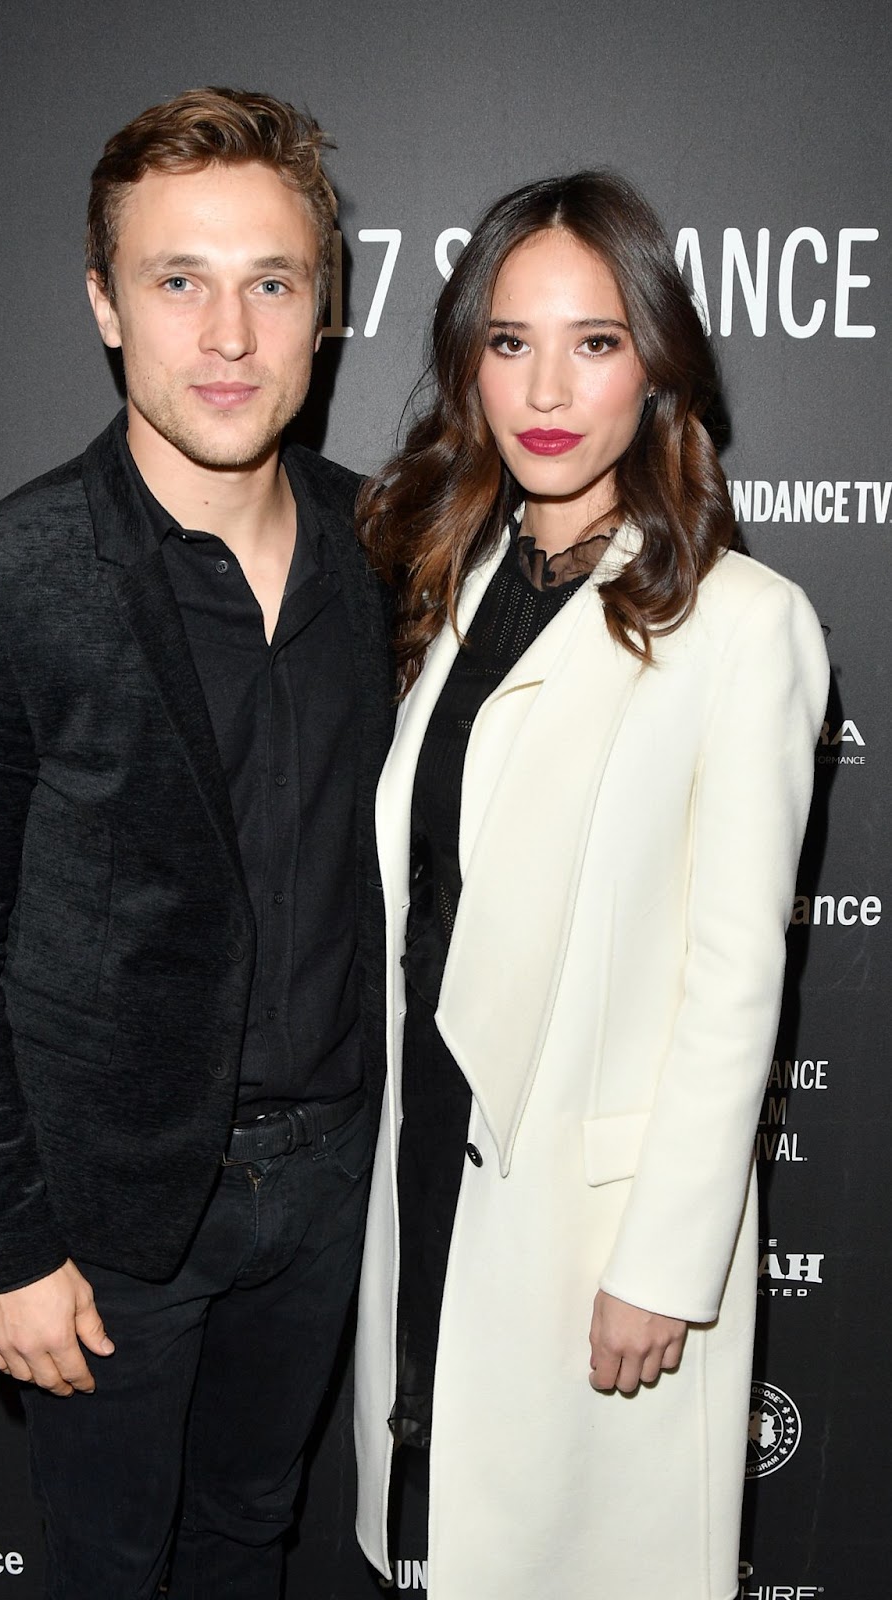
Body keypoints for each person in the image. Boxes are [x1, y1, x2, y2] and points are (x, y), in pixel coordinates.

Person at [0, 87, 394, 1600]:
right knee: (109, 1565)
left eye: (270, 282)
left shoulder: (393, 554)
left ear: (325, 308)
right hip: (104, 1225)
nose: (227, 334)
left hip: (332, 1189)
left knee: (253, 1535)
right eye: (179, 280)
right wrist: (3, 1249)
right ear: (106, 305)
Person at [352, 172, 828, 1600]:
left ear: (658, 367)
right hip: (429, 1162)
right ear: (466, 366)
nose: (544, 387)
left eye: (594, 341)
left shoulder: (743, 628)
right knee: (433, 1545)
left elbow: (736, 977)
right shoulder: (452, 582)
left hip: (593, 1226)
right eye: (508, 342)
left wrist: (666, 1263)